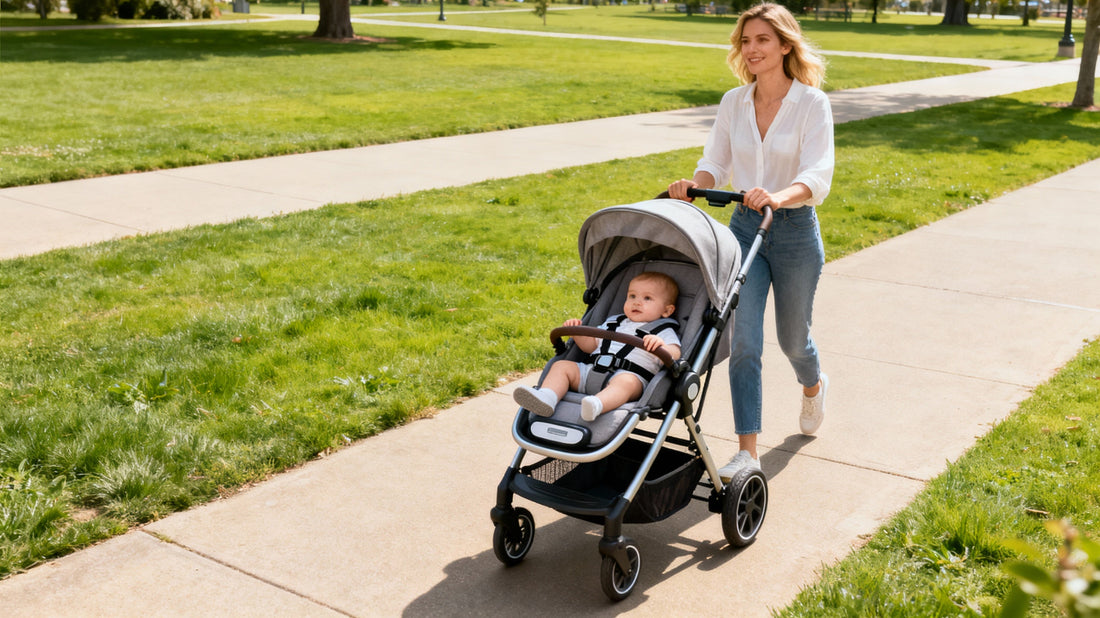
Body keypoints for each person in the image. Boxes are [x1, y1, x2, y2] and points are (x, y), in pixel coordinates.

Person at [667, 2, 832, 482]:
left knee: (793, 341)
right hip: (743, 230)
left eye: (762, 40)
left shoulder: (811, 103)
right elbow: (714, 161)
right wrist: (692, 185)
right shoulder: (733, 101)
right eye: (745, 40)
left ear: (785, 45)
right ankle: (747, 452)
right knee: (744, 343)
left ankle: (813, 384)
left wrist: (776, 197)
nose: (752, 49)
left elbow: (818, 174)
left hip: (795, 232)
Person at [513, 272, 682, 422]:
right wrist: (577, 333)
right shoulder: (614, 322)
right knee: (562, 366)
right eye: (632, 296)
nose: (637, 302)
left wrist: (661, 347)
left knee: (626, 383)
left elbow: (675, 354)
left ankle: (597, 405)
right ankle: (547, 398)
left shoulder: (662, 330)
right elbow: (591, 346)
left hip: (629, 377)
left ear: (667, 311)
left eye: (647, 298)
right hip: (591, 370)